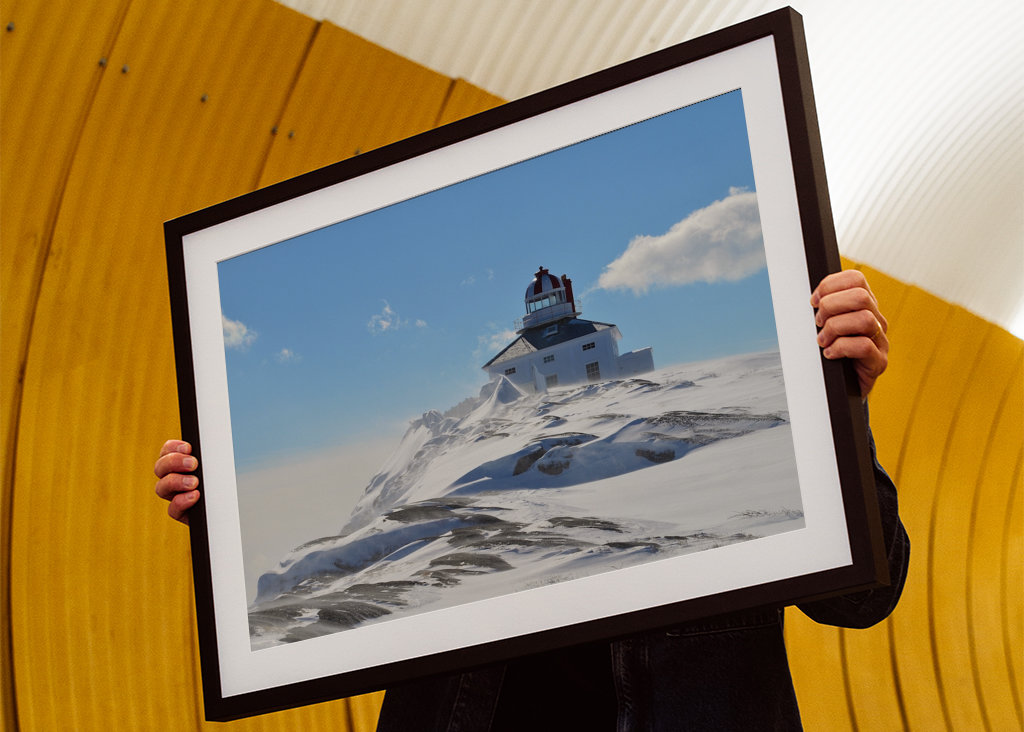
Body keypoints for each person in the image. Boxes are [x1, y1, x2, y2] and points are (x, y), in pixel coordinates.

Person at [155, 270, 909, 731]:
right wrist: (228, 514)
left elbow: (865, 597)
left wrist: (838, 405)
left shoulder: (743, 429)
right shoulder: (464, 453)